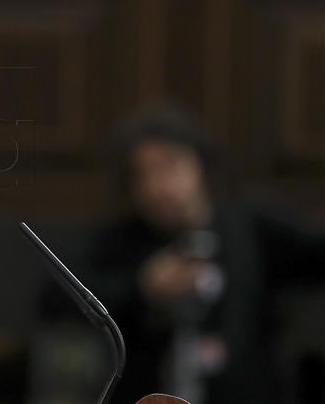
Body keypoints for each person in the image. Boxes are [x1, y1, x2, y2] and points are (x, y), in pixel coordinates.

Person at [65, 104, 325, 403]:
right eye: (143, 175)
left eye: (169, 166)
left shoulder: (249, 223)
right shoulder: (124, 239)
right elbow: (58, 297)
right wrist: (144, 287)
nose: (157, 187)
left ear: (198, 163)